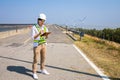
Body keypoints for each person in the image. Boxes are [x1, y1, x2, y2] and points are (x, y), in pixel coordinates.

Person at [31, 13, 50, 79]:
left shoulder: (45, 27)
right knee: (35, 59)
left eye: (43, 21)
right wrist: (39, 33)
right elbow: (33, 37)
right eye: (41, 20)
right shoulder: (34, 27)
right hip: (37, 46)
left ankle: (42, 69)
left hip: (43, 44)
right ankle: (34, 72)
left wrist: (47, 35)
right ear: (38, 20)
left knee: (43, 58)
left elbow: (46, 38)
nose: (42, 22)